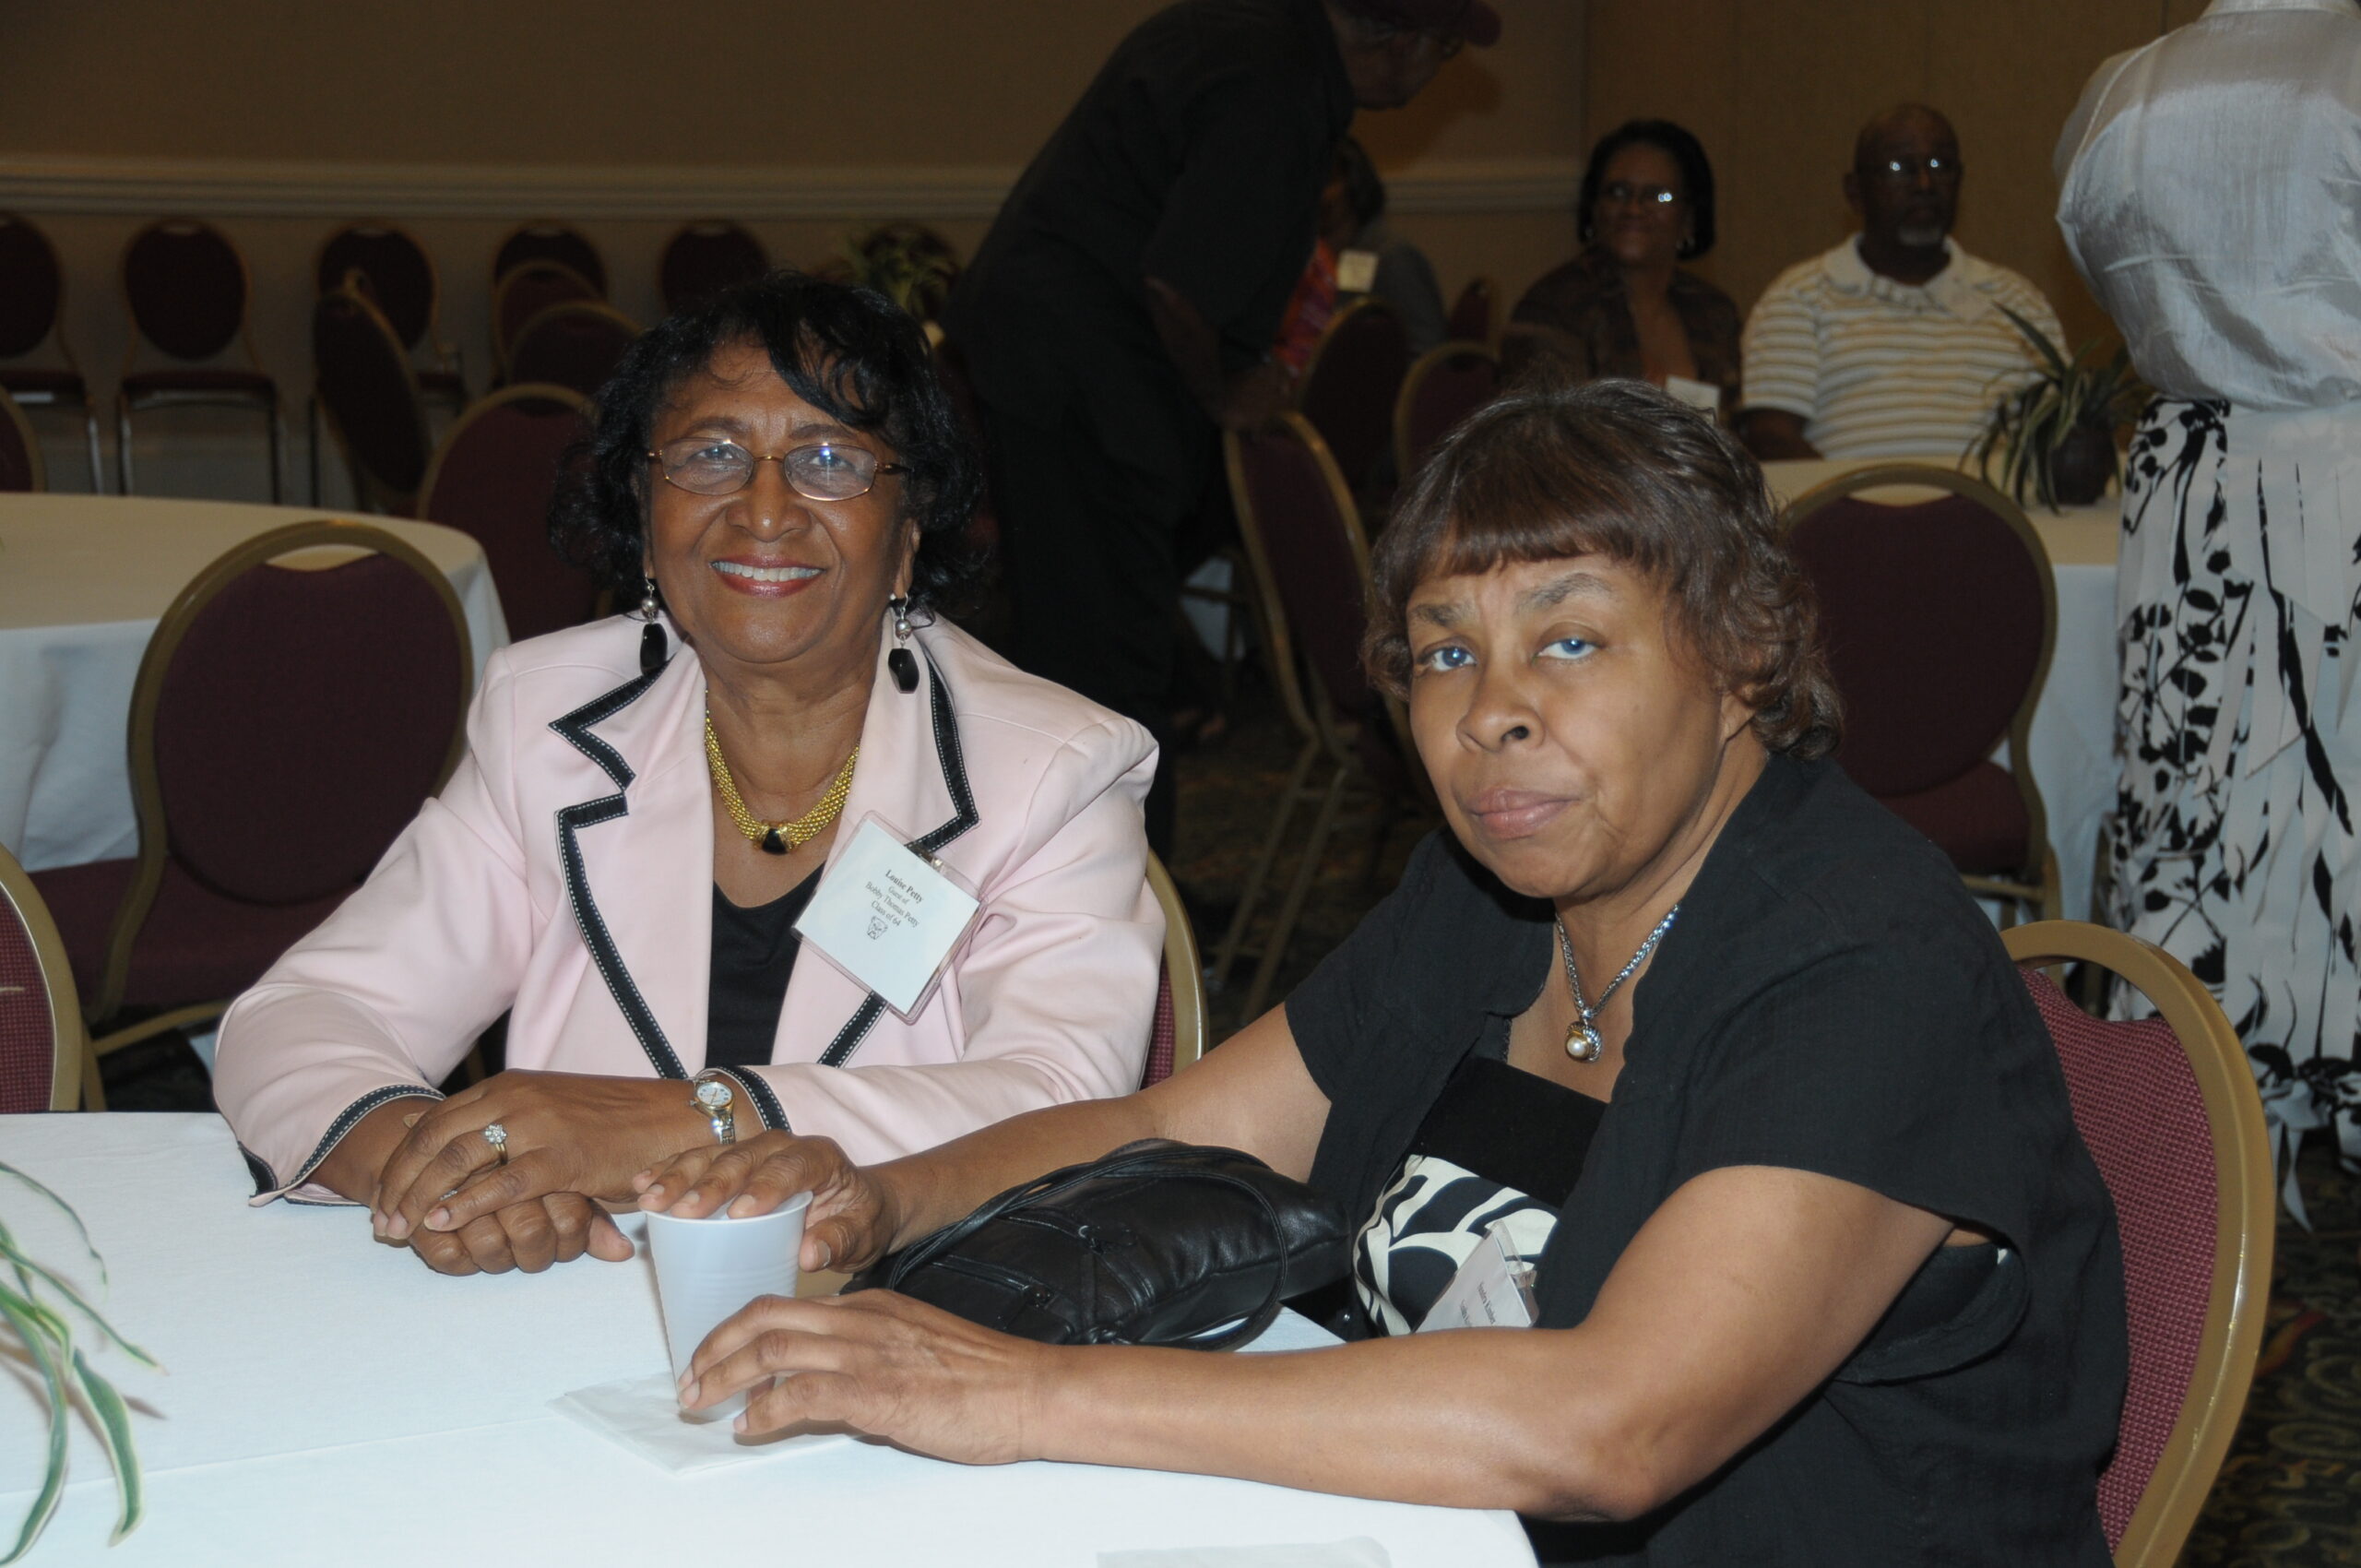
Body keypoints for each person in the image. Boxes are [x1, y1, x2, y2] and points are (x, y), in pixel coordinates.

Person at [614, 382, 2128, 1562]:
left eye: (1572, 641)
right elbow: (1180, 1125)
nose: (1493, 715)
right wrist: (885, 1200)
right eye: (1447, 652)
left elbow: (1614, 1427)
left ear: (1743, 656)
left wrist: (1017, 1396)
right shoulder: (1507, 889)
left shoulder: (1865, 963)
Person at [213, 271, 1165, 1277]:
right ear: (646, 510)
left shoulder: (1048, 770)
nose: (765, 510)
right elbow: (301, 1016)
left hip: (886, 1309)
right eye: (711, 455)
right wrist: (447, 1171)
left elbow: (1064, 1101)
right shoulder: (546, 722)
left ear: (906, 532)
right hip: (573, 1308)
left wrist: (691, 1119)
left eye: (830, 460)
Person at [941, 0, 1498, 854]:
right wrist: (1228, 389)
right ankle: (1122, 909)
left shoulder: (1248, 34)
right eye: (1445, 48)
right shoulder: (1280, 87)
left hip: (1052, 369)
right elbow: (1181, 288)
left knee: (1086, 663)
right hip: (1089, 389)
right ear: (1401, 38)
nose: (1436, 73)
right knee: (1106, 681)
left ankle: (1098, 891)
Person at [2058, 0, 2361, 1187]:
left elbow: (2105, 266)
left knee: (2209, 803)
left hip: (2190, 495)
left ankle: (2211, 1138)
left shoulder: (2121, 93)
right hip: (2342, 483)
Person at [1739, 103, 2061, 462]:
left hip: (1988, 500)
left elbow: (2060, 430)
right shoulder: (1798, 297)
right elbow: (1772, 439)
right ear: (1855, 192)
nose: (1924, 184)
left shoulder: (2017, 301)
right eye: (1899, 169)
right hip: (1849, 498)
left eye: (1940, 166)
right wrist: (1861, 497)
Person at [1502, 120, 1740, 416]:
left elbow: (1732, 426)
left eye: (1659, 196)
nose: (1633, 209)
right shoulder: (1553, 307)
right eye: (1617, 192)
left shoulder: (1713, 311)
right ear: (1593, 208)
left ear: (1689, 218)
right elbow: (1542, 428)